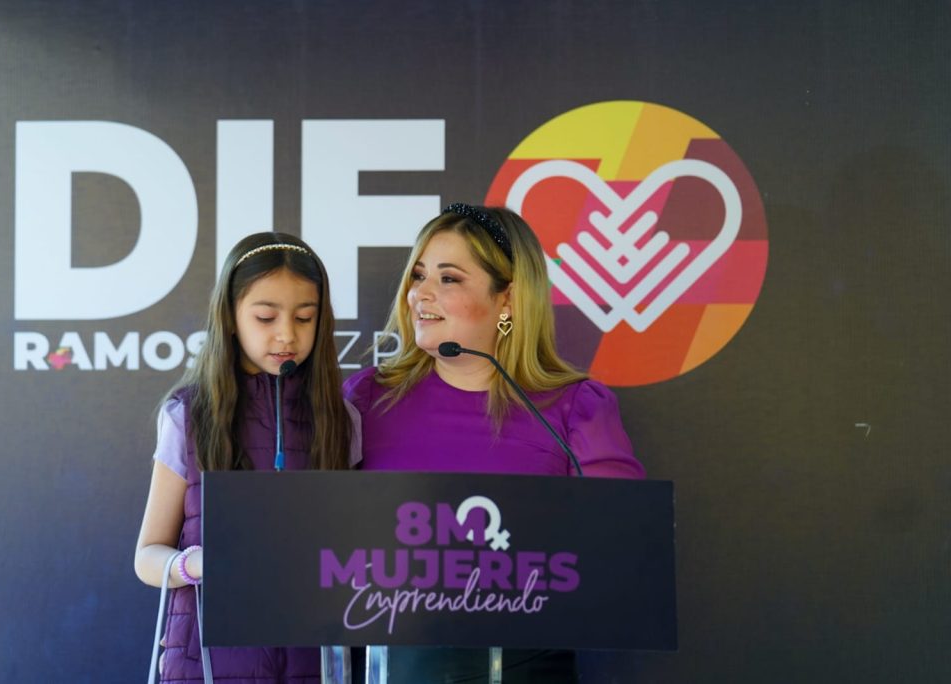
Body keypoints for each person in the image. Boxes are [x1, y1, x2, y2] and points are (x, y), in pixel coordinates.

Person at [344, 204, 644, 682]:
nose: (420, 293)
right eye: (418, 275)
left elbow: (624, 550)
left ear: (507, 299)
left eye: (448, 278)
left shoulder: (576, 407)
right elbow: (325, 539)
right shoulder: (365, 397)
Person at [135, 232, 351, 683]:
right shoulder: (189, 414)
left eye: (305, 317)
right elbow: (147, 557)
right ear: (230, 317)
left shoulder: (341, 417)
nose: (287, 334)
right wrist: (197, 564)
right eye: (266, 317)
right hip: (204, 664)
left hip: (312, 662)